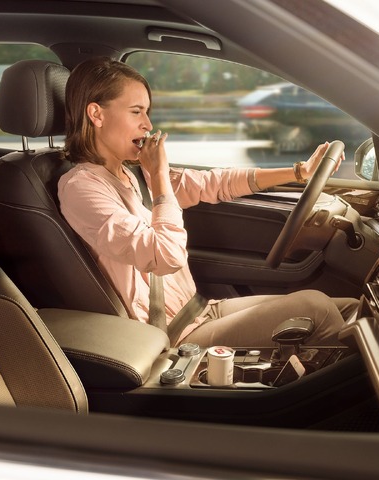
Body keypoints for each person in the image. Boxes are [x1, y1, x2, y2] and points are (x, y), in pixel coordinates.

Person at [58, 57, 359, 348]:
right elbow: (165, 257)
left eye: (147, 112)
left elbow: (216, 183)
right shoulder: (83, 188)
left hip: (200, 311)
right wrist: (160, 178)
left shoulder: (132, 174)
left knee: (351, 310)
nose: (148, 124)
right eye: (136, 112)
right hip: (170, 336)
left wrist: (299, 172)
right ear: (96, 115)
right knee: (316, 308)